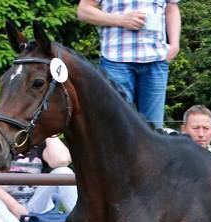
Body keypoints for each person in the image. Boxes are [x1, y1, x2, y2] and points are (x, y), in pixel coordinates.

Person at [77, 0, 181, 128]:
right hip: (116, 61)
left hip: (156, 60)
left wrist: (175, 44)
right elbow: (83, 11)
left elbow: (171, 7)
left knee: (154, 130)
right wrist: (120, 20)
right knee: (117, 126)